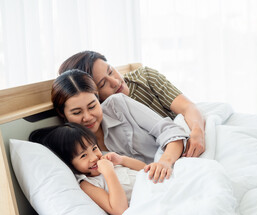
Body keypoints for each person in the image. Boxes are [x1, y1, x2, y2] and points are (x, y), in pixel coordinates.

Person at [51, 69, 189, 184]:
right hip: (152, 187)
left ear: (98, 98)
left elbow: (171, 131)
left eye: (92, 106)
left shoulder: (118, 105)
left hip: (177, 163)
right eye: (77, 112)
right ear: (62, 114)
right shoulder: (74, 150)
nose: (87, 117)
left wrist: (164, 163)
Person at [58, 50, 205, 158]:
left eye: (110, 71)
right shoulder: (107, 116)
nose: (115, 82)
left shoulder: (144, 77)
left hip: (184, 134)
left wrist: (197, 132)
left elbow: (188, 107)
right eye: (103, 84)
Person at [29, 122, 146, 215]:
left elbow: (146, 169)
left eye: (94, 148)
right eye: (83, 156)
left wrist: (122, 160)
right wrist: (109, 173)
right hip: (145, 202)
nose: (94, 157)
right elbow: (119, 210)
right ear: (69, 164)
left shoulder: (108, 161)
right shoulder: (87, 185)